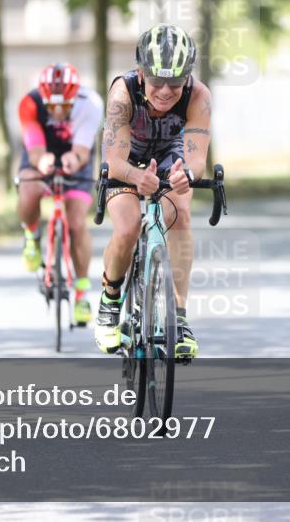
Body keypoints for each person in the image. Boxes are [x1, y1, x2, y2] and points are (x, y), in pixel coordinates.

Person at [95, 23, 212, 359]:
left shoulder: (198, 95)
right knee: (128, 226)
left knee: (181, 215)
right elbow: (114, 160)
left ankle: (179, 317)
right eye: (156, 80)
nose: (164, 90)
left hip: (171, 154)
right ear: (141, 72)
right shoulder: (123, 92)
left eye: (175, 83)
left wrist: (186, 175)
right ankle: (110, 300)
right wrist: (136, 177)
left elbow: (197, 159)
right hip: (127, 159)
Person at [17, 63, 103, 325]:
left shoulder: (90, 103)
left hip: (75, 153)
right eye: (51, 106)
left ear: (74, 97)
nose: (57, 111)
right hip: (41, 151)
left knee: (76, 223)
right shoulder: (29, 104)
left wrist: (72, 160)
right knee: (28, 189)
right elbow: (34, 148)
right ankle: (32, 236)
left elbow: (81, 151)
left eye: (64, 105)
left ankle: (82, 294)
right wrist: (41, 161)